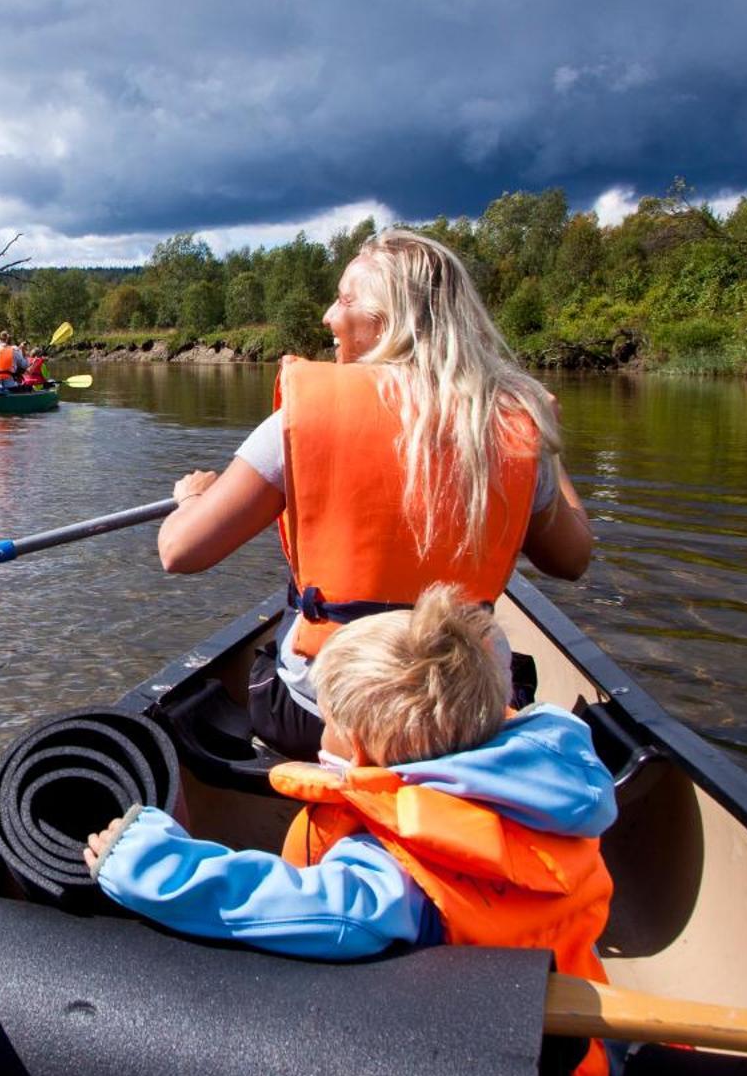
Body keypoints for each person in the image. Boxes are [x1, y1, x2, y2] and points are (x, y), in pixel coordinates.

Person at [84, 585, 617, 1076]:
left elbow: (312, 909)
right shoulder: (541, 795)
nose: (321, 739)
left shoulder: (397, 863)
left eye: (330, 723)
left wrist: (149, 863)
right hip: (580, 1074)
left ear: (357, 750)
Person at [157, 229, 593, 759]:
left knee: (272, 671)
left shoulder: (302, 420)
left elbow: (180, 552)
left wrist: (192, 500)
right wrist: (544, 440)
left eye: (344, 300)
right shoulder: (506, 423)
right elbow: (571, 559)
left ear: (388, 319)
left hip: (324, 714)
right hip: (465, 714)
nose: (328, 317)